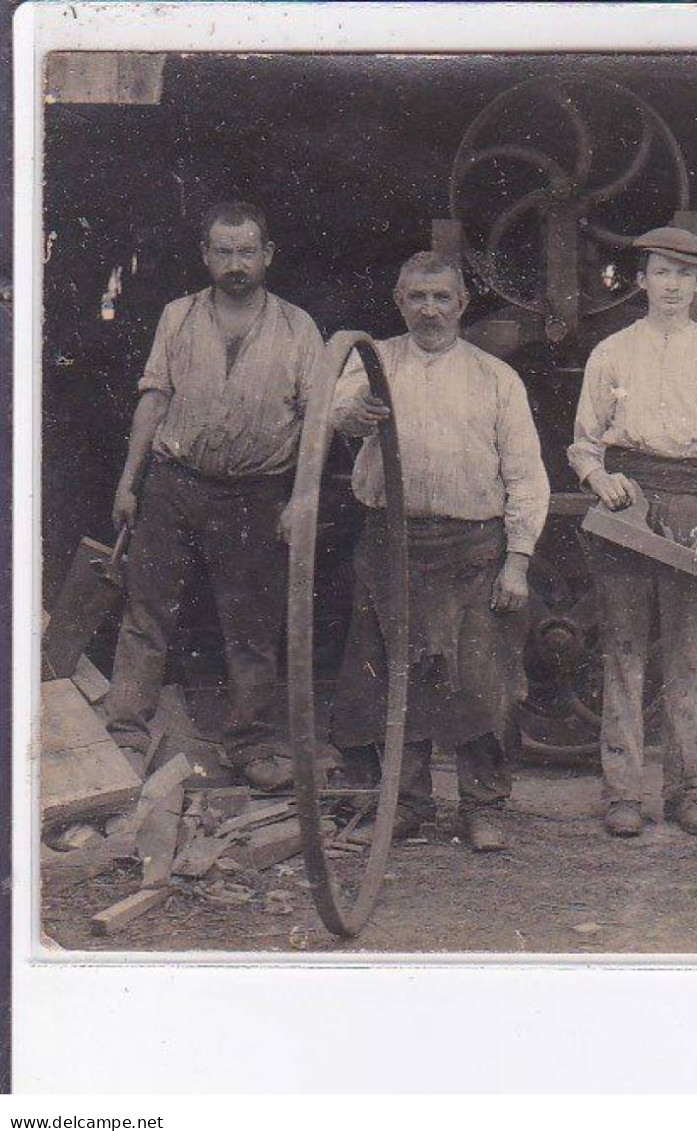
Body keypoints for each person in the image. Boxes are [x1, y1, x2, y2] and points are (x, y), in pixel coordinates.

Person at [325, 251, 549, 852]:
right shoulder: (371, 362)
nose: (429, 310)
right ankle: (407, 805)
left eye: (441, 298)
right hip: (391, 542)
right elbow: (337, 414)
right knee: (391, 678)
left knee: (478, 679)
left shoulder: (495, 378)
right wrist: (356, 413)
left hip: (472, 546)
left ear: (461, 304)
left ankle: (482, 806)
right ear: (399, 302)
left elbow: (527, 475)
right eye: (417, 297)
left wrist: (519, 558)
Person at [105, 202, 323, 790]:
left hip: (255, 494)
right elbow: (153, 398)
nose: (235, 264)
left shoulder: (298, 327)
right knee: (146, 613)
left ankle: (252, 745)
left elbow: (316, 420)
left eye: (246, 251)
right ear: (205, 255)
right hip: (174, 484)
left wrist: (301, 498)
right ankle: (126, 734)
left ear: (267, 256)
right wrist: (130, 482)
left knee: (251, 624)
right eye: (223, 252)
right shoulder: (177, 317)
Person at [569, 226, 697, 838]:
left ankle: (688, 791)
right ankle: (622, 792)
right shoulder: (612, 352)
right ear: (641, 280)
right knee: (622, 651)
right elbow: (584, 442)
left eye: (686, 274)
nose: (673, 285)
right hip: (628, 504)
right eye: (661, 272)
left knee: (689, 657)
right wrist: (599, 480)